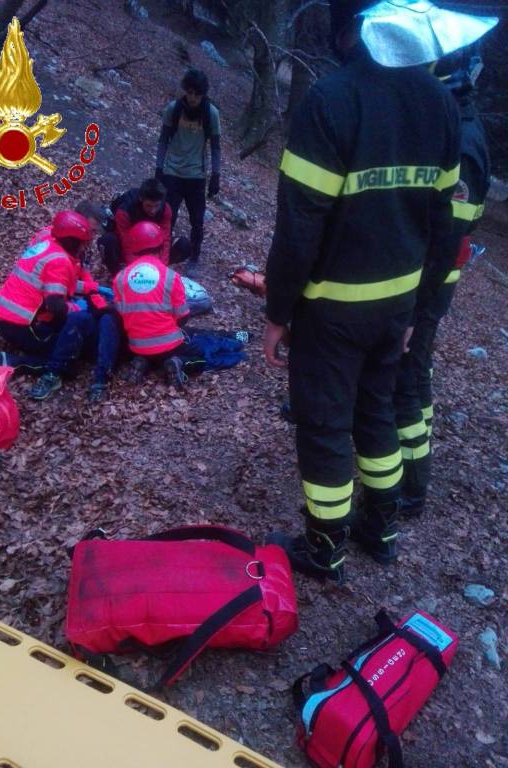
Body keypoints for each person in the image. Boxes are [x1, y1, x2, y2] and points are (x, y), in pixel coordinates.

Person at [263, 0, 497, 584]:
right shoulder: (443, 105)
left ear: (358, 36)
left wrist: (278, 310)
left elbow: (299, 226)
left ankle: (324, 548)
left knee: (323, 425)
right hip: (397, 304)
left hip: (333, 306)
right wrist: (421, 308)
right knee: (375, 414)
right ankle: (381, 529)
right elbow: (447, 223)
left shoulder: (330, 100)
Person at [394, 46, 491, 518]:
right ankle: (413, 457)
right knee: (418, 372)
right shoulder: (454, 126)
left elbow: (448, 234)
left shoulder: (463, 145)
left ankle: (411, 488)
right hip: (427, 279)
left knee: (408, 378)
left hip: (430, 285)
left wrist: (414, 310)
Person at [0, 210, 118, 401]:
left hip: (5, 316)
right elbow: (55, 305)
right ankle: (15, 363)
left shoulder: (47, 245)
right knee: (70, 359)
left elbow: (57, 282)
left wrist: (93, 288)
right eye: (84, 243)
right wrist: (72, 312)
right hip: (22, 325)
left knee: (67, 333)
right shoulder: (60, 261)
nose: (85, 247)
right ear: (73, 241)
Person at [112, 221, 207, 389]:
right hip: (169, 345)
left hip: (136, 345)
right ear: (161, 246)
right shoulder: (171, 276)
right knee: (200, 358)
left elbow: (121, 313)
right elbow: (183, 316)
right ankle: (176, 363)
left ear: (134, 247)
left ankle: (143, 362)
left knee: (150, 354)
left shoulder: (120, 278)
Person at [155, 68, 221, 278]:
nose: (192, 98)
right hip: (172, 172)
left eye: (197, 94)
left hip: (196, 176)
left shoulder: (211, 114)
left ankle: (194, 257)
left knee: (197, 221)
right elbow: (163, 139)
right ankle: (161, 254)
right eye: (190, 92)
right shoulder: (173, 109)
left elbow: (216, 146)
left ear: (203, 94)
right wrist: (159, 168)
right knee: (167, 217)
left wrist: (216, 175)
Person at [97, 179, 191, 277]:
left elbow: (165, 239)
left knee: (184, 245)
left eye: (156, 205)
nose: (153, 210)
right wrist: (136, 271)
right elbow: (126, 243)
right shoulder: (125, 212)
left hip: (152, 245)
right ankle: (117, 275)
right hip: (128, 245)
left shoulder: (165, 209)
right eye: (149, 206)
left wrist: (161, 269)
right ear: (141, 199)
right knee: (107, 241)